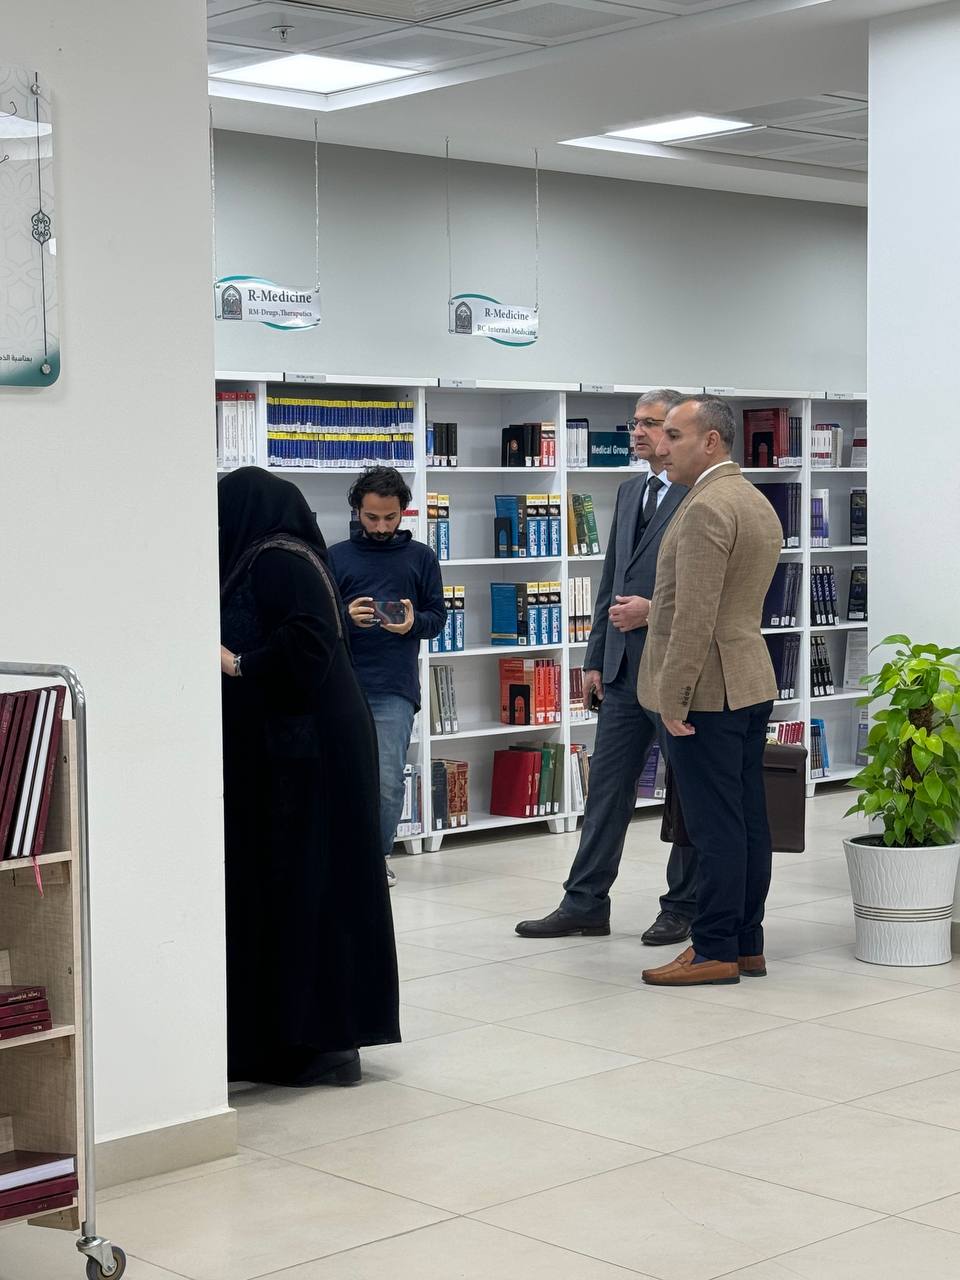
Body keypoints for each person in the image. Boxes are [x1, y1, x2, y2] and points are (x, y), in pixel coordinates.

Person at [218, 467, 400, 1086]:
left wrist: (237, 663)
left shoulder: (276, 560)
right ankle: (299, 1038)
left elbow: (309, 646)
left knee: (308, 889)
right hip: (308, 749)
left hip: (310, 753)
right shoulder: (282, 554)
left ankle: (313, 1043)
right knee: (303, 891)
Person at [516, 390, 697, 944]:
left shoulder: (700, 494)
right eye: (634, 423)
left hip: (674, 671)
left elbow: (711, 590)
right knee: (606, 793)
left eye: (651, 423)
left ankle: (683, 906)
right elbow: (611, 580)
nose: (638, 433)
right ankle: (585, 903)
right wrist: (593, 659)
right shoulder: (629, 489)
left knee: (684, 795)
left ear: (677, 432)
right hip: (621, 673)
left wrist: (653, 612)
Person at [638, 396, 782, 988]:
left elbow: (692, 616)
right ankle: (746, 943)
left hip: (707, 693)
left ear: (712, 443)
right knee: (748, 820)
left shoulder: (703, 508)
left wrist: (673, 700)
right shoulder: (754, 500)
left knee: (714, 827)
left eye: (674, 433)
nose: (662, 445)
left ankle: (713, 948)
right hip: (749, 679)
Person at [328, 467, 446, 885]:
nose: (381, 527)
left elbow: (437, 619)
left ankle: (374, 859)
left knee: (386, 780)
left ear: (403, 512)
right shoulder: (335, 556)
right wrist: (345, 616)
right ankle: (337, 857)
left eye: (390, 518)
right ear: (357, 510)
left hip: (392, 686)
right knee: (336, 775)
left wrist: (411, 622)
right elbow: (315, 621)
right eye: (372, 517)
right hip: (337, 684)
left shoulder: (421, 557)